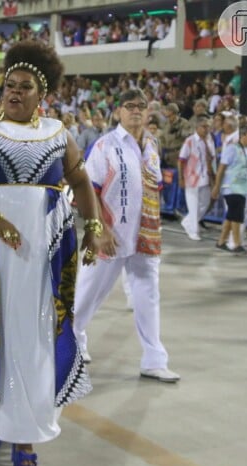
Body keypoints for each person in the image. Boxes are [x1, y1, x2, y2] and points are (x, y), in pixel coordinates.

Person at [0, 40, 105, 466]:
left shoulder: (58, 132)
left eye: (25, 86)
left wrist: (93, 227)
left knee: (36, 337)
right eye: (9, 85)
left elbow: (82, 182)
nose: (14, 92)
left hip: (46, 256)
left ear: (43, 94)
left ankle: (26, 433)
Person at [73, 88, 180, 383]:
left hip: (145, 237)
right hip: (111, 235)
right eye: (129, 106)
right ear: (119, 112)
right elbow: (87, 189)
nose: (135, 110)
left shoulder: (152, 146)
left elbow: (154, 189)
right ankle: (72, 339)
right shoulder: (105, 145)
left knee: (148, 295)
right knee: (88, 293)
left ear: (147, 113)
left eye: (141, 106)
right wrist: (100, 229)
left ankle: (154, 358)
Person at [212, 124, 247, 255]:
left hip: (242, 187)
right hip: (231, 187)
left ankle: (221, 241)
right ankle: (237, 244)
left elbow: (245, 167)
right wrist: (216, 185)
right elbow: (221, 168)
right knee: (237, 217)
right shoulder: (232, 149)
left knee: (231, 216)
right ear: (242, 136)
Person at [177, 116, 216, 240]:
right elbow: (181, 160)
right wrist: (181, 178)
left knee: (205, 203)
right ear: (197, 127)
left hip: (205, 177)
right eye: (204, 127)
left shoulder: (210, 140)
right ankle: (193, 231)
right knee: (193, 205)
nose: (206, 129)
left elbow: (212, 158)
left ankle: (187, 221)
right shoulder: (190, 141)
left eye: (208, 126)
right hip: (191, 178)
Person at [161, 102, 192, 168]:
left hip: (177, 153)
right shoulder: (166, 123)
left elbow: (188, 134)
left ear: (173, 112)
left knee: (178, 174)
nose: (166, 112)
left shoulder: (183, 122)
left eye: (168, 110)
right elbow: (162, 137)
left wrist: (178, 133)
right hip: (166, 154)